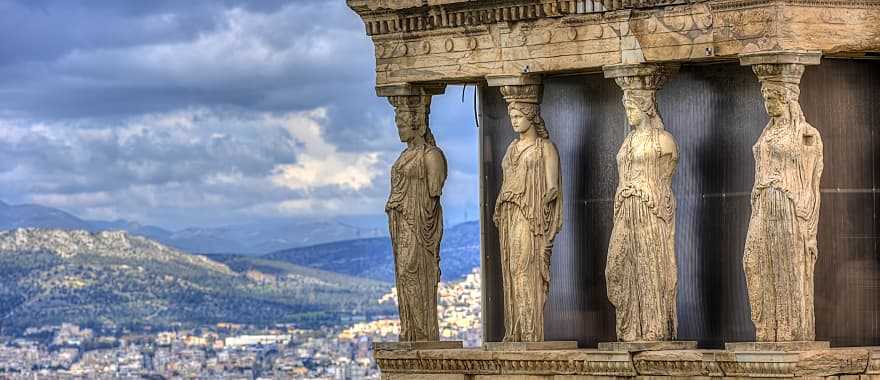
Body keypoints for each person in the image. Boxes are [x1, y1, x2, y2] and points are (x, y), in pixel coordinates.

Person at [493, 88, 562, 342]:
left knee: (524, 269)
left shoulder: (545, 148)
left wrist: (543, 202)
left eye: (518, 115)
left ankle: (531, 331)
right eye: (511, 116)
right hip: (510, 214)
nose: (513, 120)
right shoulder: (511, 148)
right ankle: (517, 330)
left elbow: (552, 186)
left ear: (531, 115)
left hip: (530, 216)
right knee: (512, 270)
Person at [385, 96, 447, 342]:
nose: (399, 129)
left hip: (419, 224)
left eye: (402, 124)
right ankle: (412, 329)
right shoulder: (404, 155)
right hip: (401, 223)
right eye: (397, 124)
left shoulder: (432, 155)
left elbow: (434, 191)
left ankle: (424, 330)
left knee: (414, 271)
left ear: (416, 124)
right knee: (404, 274)